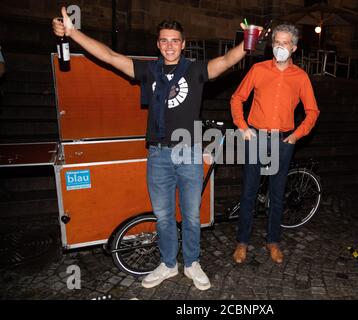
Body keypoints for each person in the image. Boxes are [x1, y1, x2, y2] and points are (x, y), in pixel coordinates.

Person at [52, 7, 261, 290]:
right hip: (159, 154)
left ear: (183, 44)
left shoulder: (196, 70)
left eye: (175, 40)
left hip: (188, 152)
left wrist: (248, 43)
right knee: (163, 216)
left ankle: (192, 263)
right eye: (164, 40)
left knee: (190, 215)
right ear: (158, 44)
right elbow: (110, 57)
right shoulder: (148, 71)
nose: (170, 45)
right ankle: (167, 263)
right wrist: (73, 32)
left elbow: (225, 60)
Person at [230, 24, 320, 264]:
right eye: (277, 43)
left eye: (285, 43)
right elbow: (237, 98)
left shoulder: (300, 77)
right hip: (256, 136)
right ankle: (242, 242)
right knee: (249, 192)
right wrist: (243, 127)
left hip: (283, 140)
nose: (280, 47)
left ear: (294, 47)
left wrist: (296, 135)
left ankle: (273, 240)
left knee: (277, 194)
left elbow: (312, 111)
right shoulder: (258, 70)